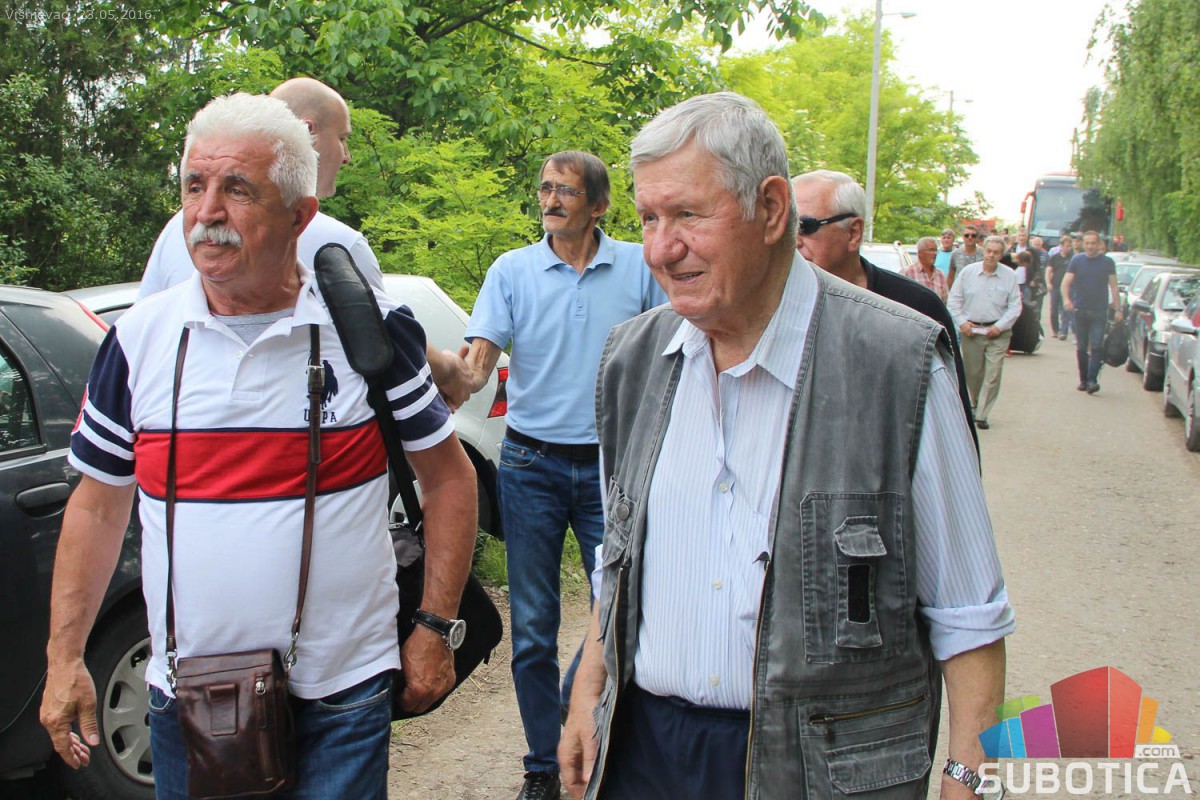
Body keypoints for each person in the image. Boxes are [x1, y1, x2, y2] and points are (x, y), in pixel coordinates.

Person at [559, 92, 1013, 800]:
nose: (660, 249)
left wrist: (968, 781)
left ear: (771, 209)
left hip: (818, 773)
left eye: (688, 215)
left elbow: (969, 617)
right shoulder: (632, 360)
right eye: (648, 218)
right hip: (643, 755)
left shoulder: (900, 364)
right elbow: (615, 563)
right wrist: (588, 692)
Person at [39, 93, 479, 798]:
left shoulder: (369, 330)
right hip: (189, 696)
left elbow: (450, 479)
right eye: (194, 186)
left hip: (343, 691)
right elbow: (95, 508)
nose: (207, 212)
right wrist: (64, 659)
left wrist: (434, 627)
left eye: (238, 189)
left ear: (300, 216)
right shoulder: (138, 341)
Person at [461, 151, 665, 800]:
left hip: (614, 466)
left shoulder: (638, 266)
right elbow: (476, 366)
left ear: (598, 206)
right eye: (545, 188)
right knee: (532, 628)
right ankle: (543, 767)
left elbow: (675, 350)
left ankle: (590, 729)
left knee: (622, 611)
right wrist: (433, 373)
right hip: (530, 467)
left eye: (565, 191)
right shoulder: (512, 271)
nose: (550, 200)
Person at [139, 77, 474, 408]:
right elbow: (382, 344)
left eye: (236, 191)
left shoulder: (178, 230)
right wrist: (450, 372)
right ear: (308, 131)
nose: (346, 156)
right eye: (342, 138)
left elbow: (145, 337)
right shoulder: (336, 245)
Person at [791, 171, 977, 451]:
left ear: (853, 232)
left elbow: (955, 431)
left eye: (805, 226)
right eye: (786, 226)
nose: (792, 240)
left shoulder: (916, 308)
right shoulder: (770, 306)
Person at [947, 235, 1023, 430]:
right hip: (972, 331)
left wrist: (1000, 326)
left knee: (993, 373)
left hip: (998, 332)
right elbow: (954, 300)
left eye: (996, 252)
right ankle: (973, 403)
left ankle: (982, 414)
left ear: (1001, 254)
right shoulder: (968, 273)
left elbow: (1015, 306)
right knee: (973, 373)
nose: (991, 255)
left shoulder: (1009, 276)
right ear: (984, 251)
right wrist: (962, 323)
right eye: (989, 251)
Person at [1061, 230, 1121, 393]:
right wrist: (1066, 300)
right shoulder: (1077, 260)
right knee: (1081, 348)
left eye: (1093, 243)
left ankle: (1092, 380)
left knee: (1096, 346)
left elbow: (1114, 286)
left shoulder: (1107, 262)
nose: (1090, 246)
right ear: (1083, 244)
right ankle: (1083, 379)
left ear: (1099, 244)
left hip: (1099, 311)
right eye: (1087, 243)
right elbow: (1065, 282)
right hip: (1080, 310)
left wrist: (1118, 308)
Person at [1045, 235, 1074, 339]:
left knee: (1065, 310)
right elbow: (1048, 271)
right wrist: (1048, 283)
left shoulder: (1073, 258)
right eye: (1067, 246)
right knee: (1054, 310)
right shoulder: (1054, 258)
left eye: (1070, 246)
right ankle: (1055, 330)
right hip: (1055, 287)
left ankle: (1063, 332)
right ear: (1061, 246)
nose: (1069, 248)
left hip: (1068, 288)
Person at [905, 236, 950, 302]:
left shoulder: (940, 275)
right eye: (931, 250)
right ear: (920, 253)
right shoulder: (908, 273)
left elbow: (945, 301)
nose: (935, 253)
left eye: (936, 250)